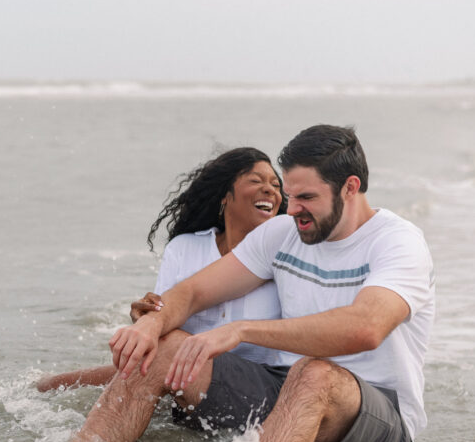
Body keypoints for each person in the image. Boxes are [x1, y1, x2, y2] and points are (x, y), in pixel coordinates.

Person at [55, 125, 435, 442]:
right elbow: (192, 292)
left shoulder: (397, 242)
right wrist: (151, 323)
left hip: (377, 427)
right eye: (291, 195)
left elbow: (365, 327)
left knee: (314, 373)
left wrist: (241, 330)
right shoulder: (283, 234)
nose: (294, 209)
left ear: (350, 188)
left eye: (306, 197)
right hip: (288, 401)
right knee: (170, 346)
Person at [36, 147, 287, 395]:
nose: (270, 190)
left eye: (276, 185)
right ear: (224, 195)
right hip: (181, 370)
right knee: (50, 385)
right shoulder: (184, 247)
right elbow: (163, 316)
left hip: (253, 381)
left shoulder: (286, 254)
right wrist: (146, 317)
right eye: (256, 181)